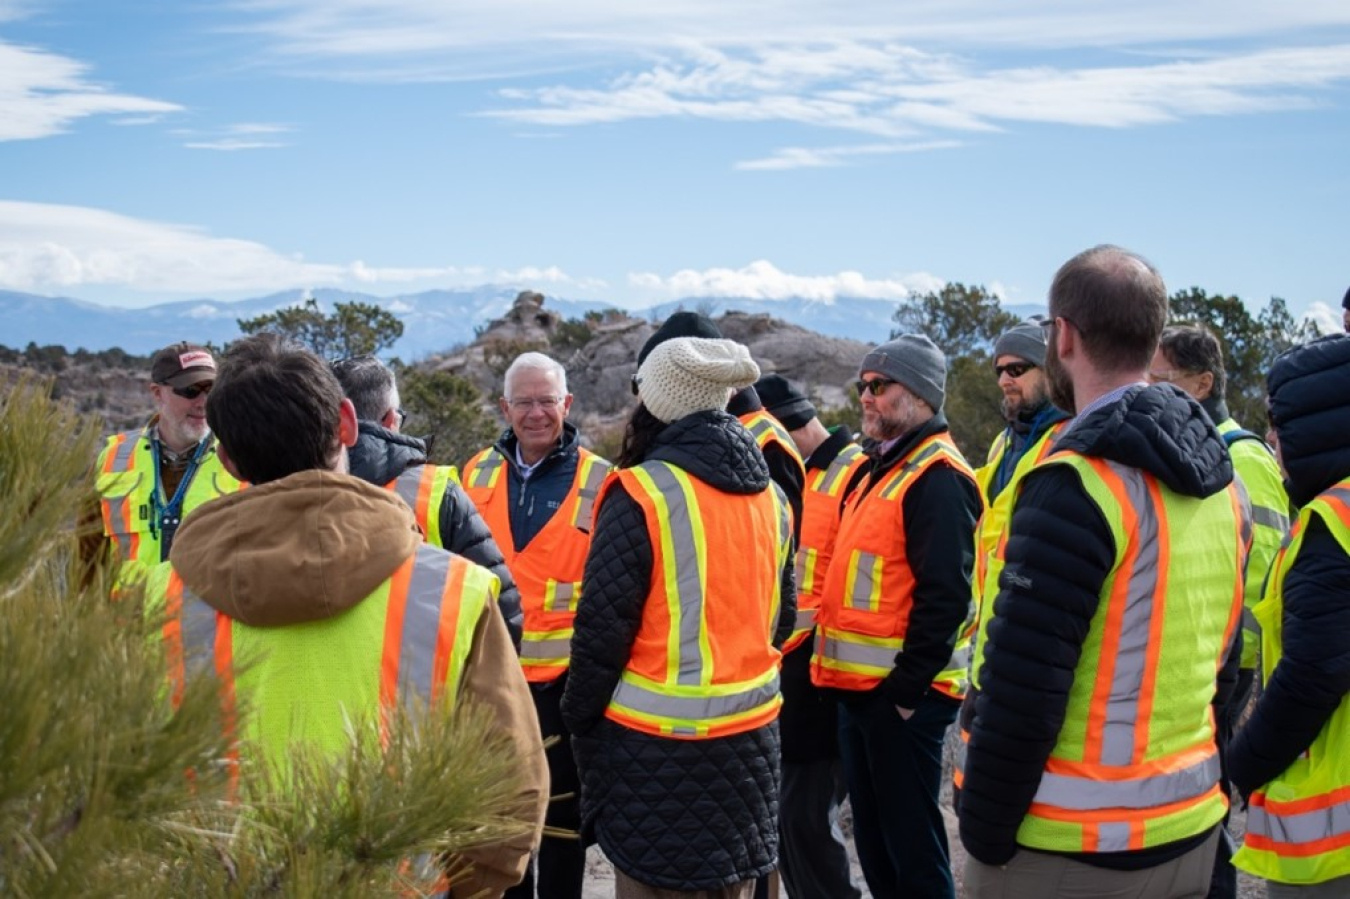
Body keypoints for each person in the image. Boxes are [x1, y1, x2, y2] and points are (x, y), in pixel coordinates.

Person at [161, 333, 548, 896]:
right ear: (348, 424)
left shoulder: (161, 601)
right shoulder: (456, 593)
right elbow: (512, 792)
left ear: (226, 458)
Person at [959, 245, 1250, 898]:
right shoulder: (1224, 488)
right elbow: (1225, 662)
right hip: (1189, 827)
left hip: (1070, 844)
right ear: (1151, 339)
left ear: (1062, 335)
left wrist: (981, 832)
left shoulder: (1075, 482)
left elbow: (1024, 688)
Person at [562, 336, 796, 898]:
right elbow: (782, 620)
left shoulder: (643, 493)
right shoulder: (772, 498)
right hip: (751, 752)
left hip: (657, 760)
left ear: (657, 401)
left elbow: (601, 632)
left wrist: (576, 716)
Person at [810, 333, 982, 899]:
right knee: (880, 849)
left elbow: (946, 599)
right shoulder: (880, 466)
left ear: (921, 396)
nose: (866, 396)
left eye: (880, 387)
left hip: (904, 700)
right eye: (864, 385)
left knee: (913, 851)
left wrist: (904, 694)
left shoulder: (937, 478)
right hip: (863, 696)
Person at [461, 352, 612, 899]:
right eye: (523, 402)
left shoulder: (604, 481)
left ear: (566, 404)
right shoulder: (473, 473)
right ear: (505, 407)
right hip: (492, 682)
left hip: (565, 690)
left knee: (563, 829)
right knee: (507, 822)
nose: (535, 413)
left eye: (546, 400)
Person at [1150, 324, 1292, 898]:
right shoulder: (1188, 449)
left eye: (1162, 380)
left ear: (1203, 382)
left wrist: (1239, 664)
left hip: (1230, 662)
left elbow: (1262, 574)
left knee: (1207, 800)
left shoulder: (1244, 457)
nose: (1151, 391)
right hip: (1204, 655)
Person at [1229, 333, 1350, 897]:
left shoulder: (1331, 525)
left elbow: (1312, 675)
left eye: (1280, 423)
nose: (1271, 437)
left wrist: (1243, 762)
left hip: (1332, 838)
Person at [754, 373, 866, 899]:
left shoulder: (855, 475)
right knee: (786, 824)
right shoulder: (801, 473)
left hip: (826, 684)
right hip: (789, 679)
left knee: (805, 821)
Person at [331, 354, 524, 647]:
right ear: (390, 420)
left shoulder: (281, 483)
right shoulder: (432, 489)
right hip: (416, 678)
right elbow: (499, 603)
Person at [955, 318, 1071, 803]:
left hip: (1030, 632)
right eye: (1000, 369)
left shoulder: (1066, 439)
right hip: (991, 632)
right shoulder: (1008, 440)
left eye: (1019, 368)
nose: (1006, 379)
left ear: (1050, 369)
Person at [90, 341, 242, 594]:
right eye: (191, 390)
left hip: (210, 629)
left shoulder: (242, 456)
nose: (203, 402)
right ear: (157, 393)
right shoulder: (113, 460)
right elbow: (88, 559)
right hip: (129, 627)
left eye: (211, 389)